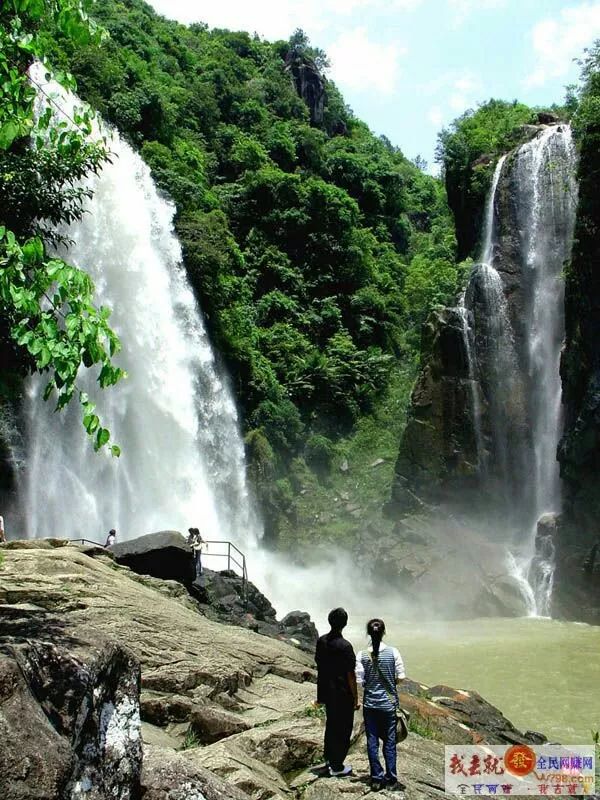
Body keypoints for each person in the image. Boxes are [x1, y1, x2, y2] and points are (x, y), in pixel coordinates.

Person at [356, 618, 405, 792]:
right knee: (390, 742)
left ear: (368, 633)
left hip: (370, 705)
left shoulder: (361, 655)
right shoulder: (393, 652)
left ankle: (376, 778)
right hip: (388, 705)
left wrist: (371, 683)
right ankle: (391, 778)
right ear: (384, 632)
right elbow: (401, 677)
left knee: (372, 741)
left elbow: (359, 679)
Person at [314, 607, 359, 778]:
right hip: (342, 694)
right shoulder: (345, 646)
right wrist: (355, 698)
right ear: (345, 624)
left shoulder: (321, 641)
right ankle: (337, 765)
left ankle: (328, 759)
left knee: (331, 725)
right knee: (343, 729)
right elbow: (351, 675)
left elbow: (319, 663)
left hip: (327, 691)